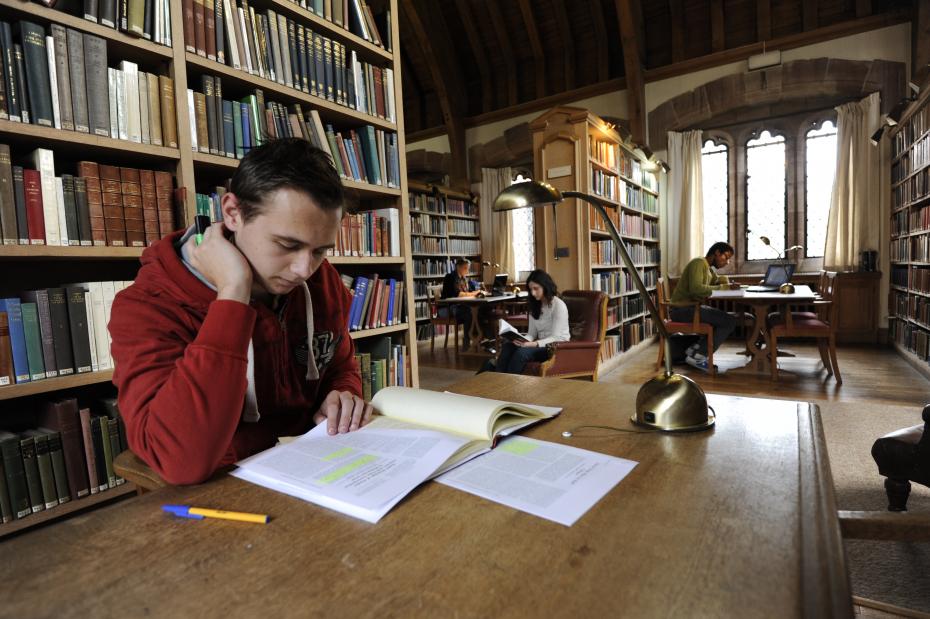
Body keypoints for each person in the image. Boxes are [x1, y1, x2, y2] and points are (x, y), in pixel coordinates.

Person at [108, 139, 372, 485]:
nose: (304, 269)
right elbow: (177, 460)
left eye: (320, 250)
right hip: (222, 485)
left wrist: (344, 394)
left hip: (319, 467)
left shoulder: (323, 281)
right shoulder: (146, 306)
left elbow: (339, 363)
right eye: (287, 245)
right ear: (233, 212)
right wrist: (233, 295)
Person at [669, 241, 741, 372]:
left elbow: (716, 282)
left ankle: (694, 351)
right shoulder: (698, 263)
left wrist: (725, 282)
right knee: (729, 321)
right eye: (726, 257)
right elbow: (696, 289)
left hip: (691, 309)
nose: (727, 262)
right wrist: (725, 287)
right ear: (717, 253)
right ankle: (698, 356)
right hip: (682, 310)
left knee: (723, 318)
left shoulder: (708, 268)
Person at [495, 269, 570, 374]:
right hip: (540, 344)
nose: (533, 293)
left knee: (522, 353)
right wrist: (521, 340)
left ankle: (509, 384)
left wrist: (533, 344)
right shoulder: (535, 306)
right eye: (531, 289)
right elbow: (532, 334)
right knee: (508, 346)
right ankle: (498, 379)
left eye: (536, 288)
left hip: (555, 347)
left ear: (545, 286)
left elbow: (555, 337)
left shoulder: (559, 305)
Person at [440, 258, 494, 350]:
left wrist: (480, 290)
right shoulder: (450, 277)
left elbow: (473, 289)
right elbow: (459, 294)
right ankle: (468, 341)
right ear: (458, 267)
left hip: (462, 306)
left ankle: (484, 339)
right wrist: (475, 293)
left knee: (481, 310)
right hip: (448, 308)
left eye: (468, 268)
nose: (467, 270)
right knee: (470, 312)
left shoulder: (465, 279)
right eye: (465, 268)